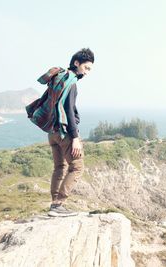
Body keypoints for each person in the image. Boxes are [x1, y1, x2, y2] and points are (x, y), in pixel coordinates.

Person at [41, 48, 94, 217]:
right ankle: (59, 204)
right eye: (86, 68)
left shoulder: (58, 78)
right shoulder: (71, 82)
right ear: (76, 63)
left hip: (52, 132)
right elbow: (69, 111)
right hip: (65, 133)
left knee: (59, 167)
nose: (87, 73)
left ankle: (54, 205)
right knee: (77, 167)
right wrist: (76, 138)